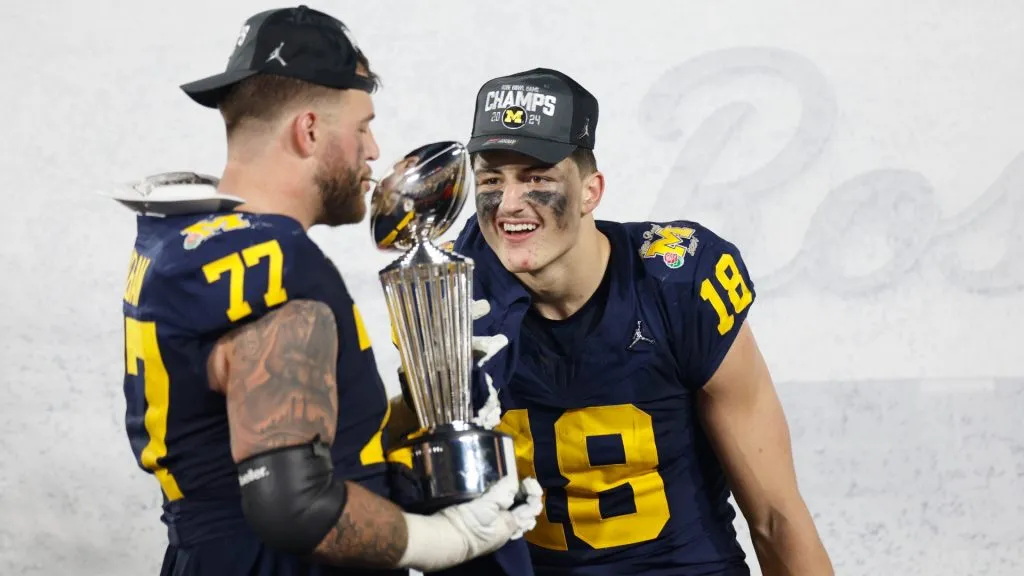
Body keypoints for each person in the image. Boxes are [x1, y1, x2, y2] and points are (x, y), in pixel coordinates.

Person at [111, 6, 540, 576]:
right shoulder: (275, 263)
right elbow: (294, 506)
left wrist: (428, 402)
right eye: (362, 126)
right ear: (309, 129)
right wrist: (448, 539)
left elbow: (266, 430)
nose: (373, 150)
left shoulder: (183, 237)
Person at [439, 67, 835, 575]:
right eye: (492, 179)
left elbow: (775, 515)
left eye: (537, 178)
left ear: (590, 191)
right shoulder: (454, 289)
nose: (509, 203)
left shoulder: (675, 281)